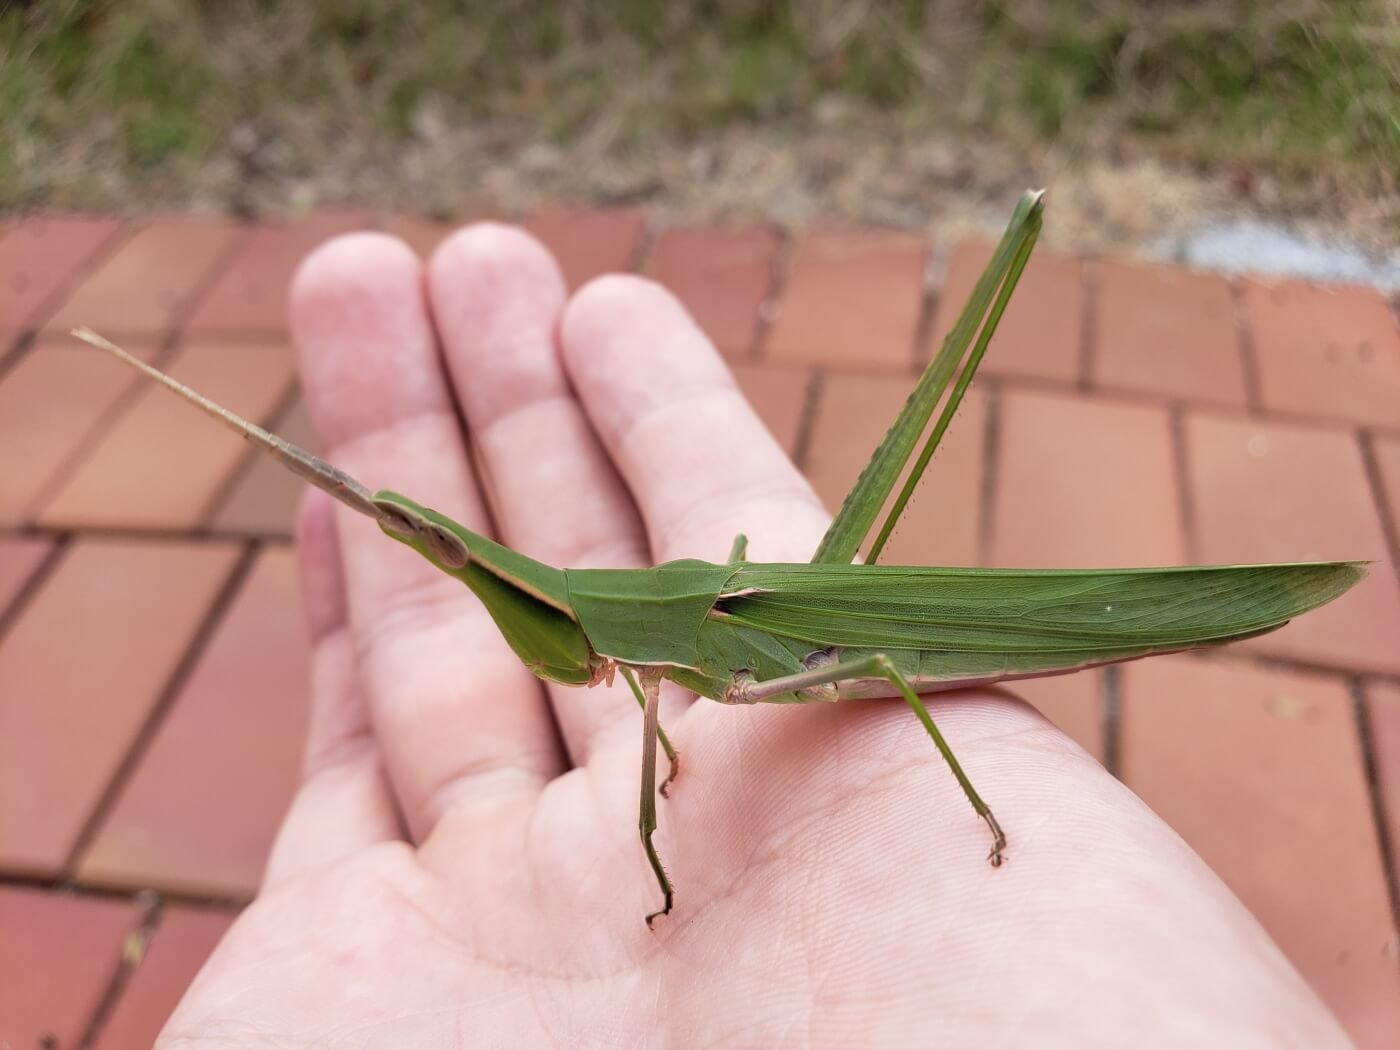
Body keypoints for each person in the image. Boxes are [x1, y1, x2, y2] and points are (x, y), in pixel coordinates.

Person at [159, 225, 1351, 1048]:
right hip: (742, 620)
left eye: (480, 571)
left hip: (845, 638)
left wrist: (982, 816)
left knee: (876, 650)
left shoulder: (653, 654)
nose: (490, 592)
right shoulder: (629, 655)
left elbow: (857, 667)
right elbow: (620, 673)